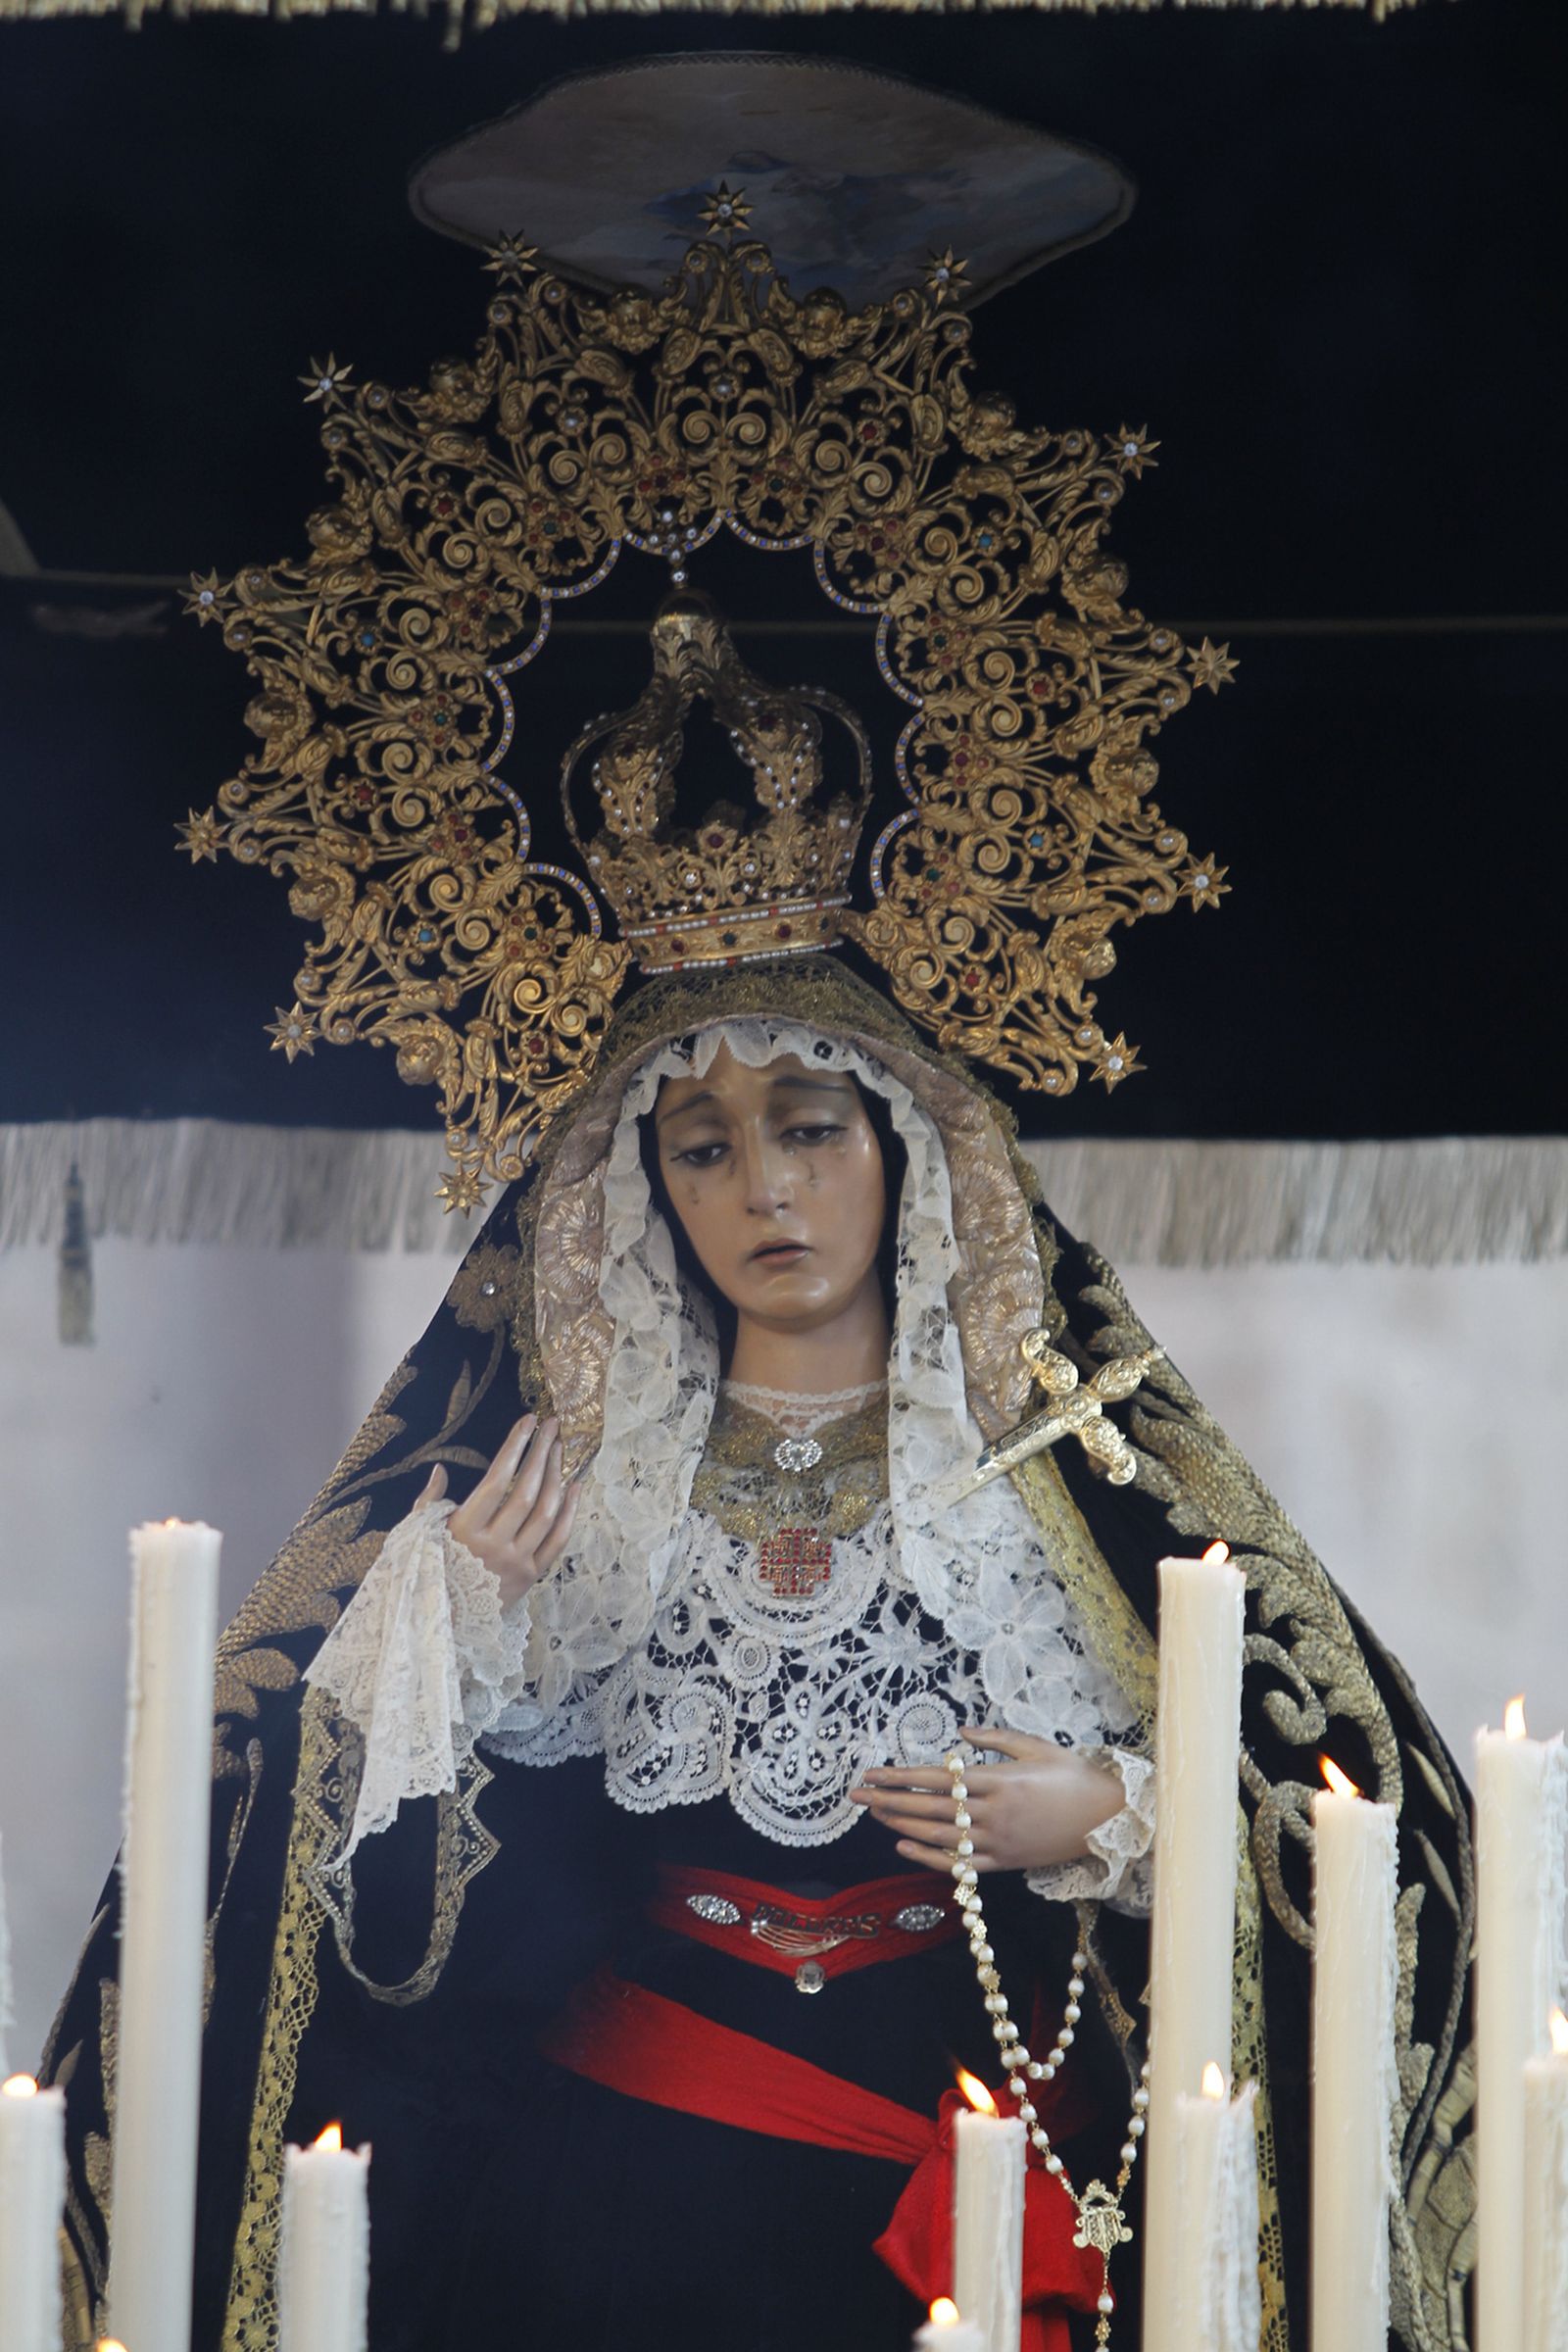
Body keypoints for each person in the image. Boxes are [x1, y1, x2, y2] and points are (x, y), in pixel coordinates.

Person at [46, 953, 1476, 2352]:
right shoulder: (577, 1500)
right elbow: (339, 1887)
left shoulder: (1048, 1493)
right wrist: (452, 1629)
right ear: (647, 1186)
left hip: (969, 2159)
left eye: (808, 1130)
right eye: (703, 1148)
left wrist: (1110, 1811)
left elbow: (1350, 1816)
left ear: (902, 1147)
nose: (764, 1190)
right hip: (629, 2182)